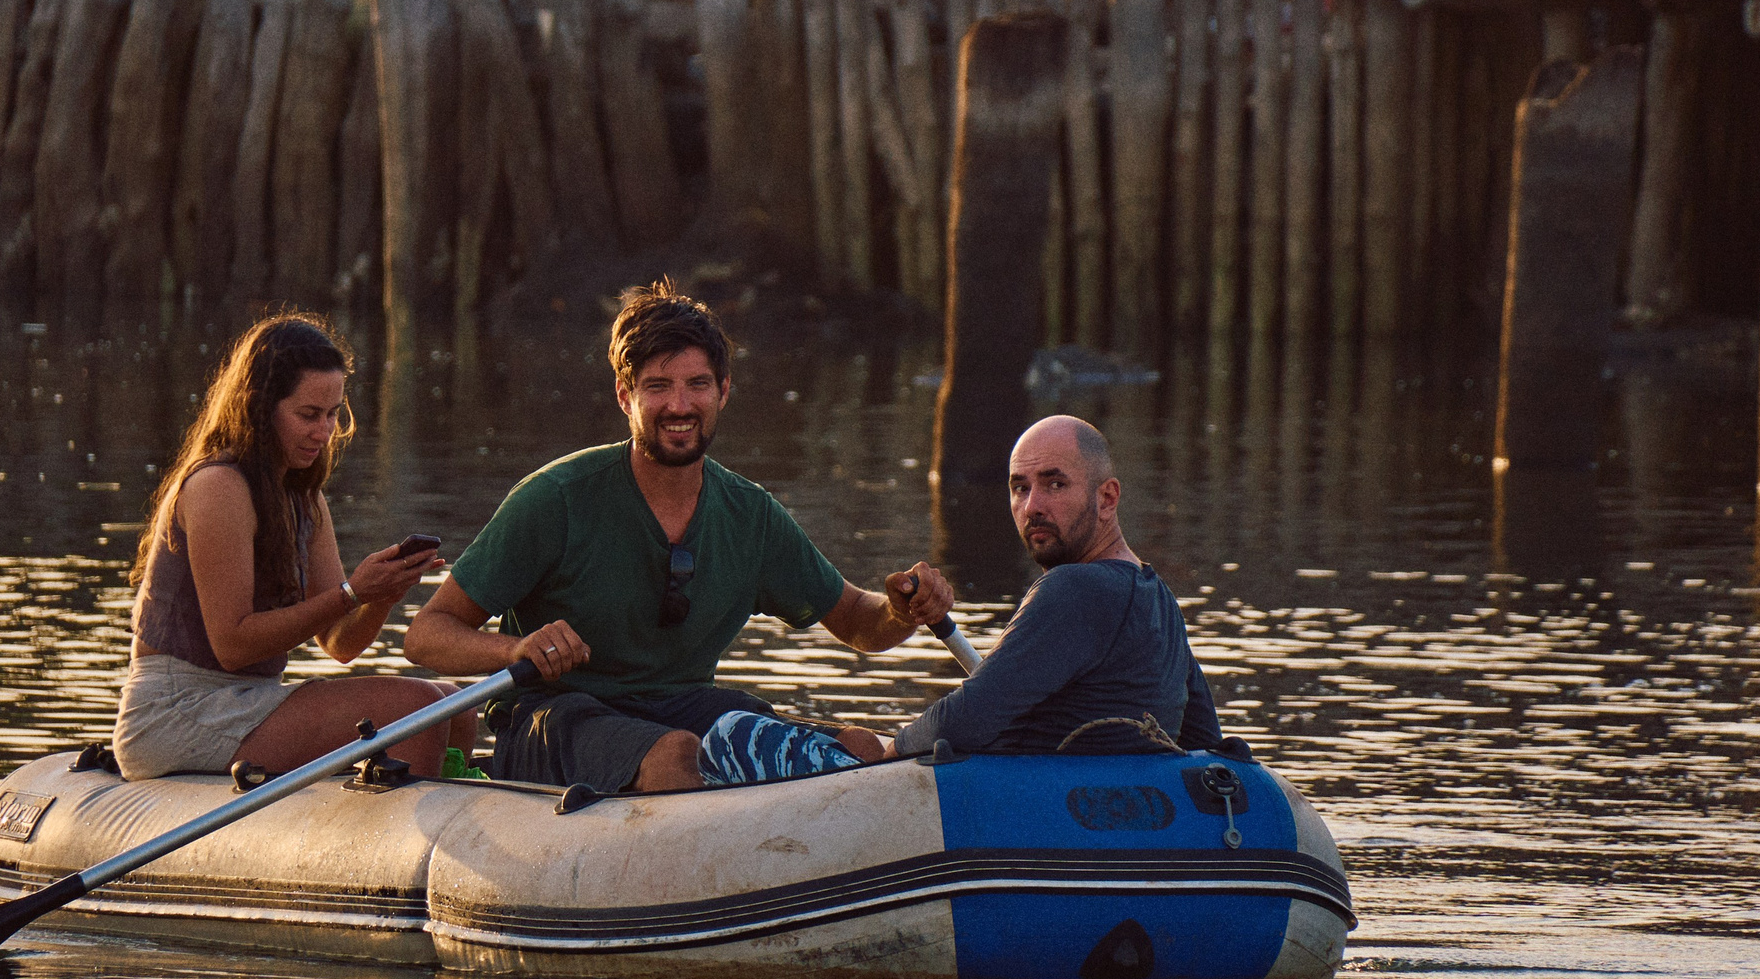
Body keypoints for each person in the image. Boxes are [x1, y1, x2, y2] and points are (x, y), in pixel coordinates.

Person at [402, 280, 956, 795]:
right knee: (675, 756)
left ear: (723, 392)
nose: (679, 405)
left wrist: (905, 609)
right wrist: (515, 649)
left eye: (697, 385)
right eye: (657, 387)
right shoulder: (555, 499)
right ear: (625, 396)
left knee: (858, 748)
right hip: (552, 719)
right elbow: (426, 635)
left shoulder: (751, 513)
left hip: (683, 707)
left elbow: (860, 621)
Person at [697, 413, 1245, 785]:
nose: (1032, 505)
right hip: (1092, 815)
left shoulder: (1074, 588)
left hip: (1027, 822)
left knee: (734, 729)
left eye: (1055, 484)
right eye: (1019, 487)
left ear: (1107, 497)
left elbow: (970, 719)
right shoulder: (1159, 600)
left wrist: (889, 750)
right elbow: (1203, 739)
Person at [112, 314, 473, 781]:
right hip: (176, 710)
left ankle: (451, 815)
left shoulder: (304, 498)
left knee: (455, 704)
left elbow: (339, 643)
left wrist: (380, 595)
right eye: (308, 415)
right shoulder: (218, 485)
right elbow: (233, 646)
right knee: (418, 706)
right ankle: (406, 839)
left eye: (332, 414)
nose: (324, 433)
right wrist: (351, 593)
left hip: (250, 699)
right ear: (260, 408)